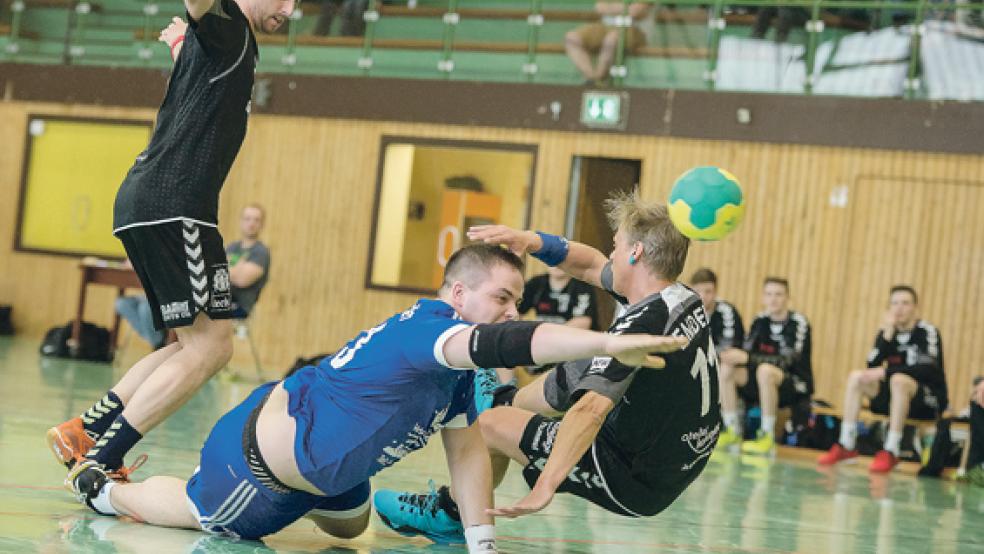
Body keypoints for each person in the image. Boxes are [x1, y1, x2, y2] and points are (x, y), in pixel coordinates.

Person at [68, 244, 685, 553]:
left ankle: (331, 477)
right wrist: (610, 340)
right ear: (458, 294)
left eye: (514, 300)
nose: (511, 311)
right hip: (257, 467)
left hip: (329, 464)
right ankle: (100, 484)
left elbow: (468, 453)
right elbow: (514, 339)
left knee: (351, 526)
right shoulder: (431, 334)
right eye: (502, 297)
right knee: (208, 514)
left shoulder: (457, 372)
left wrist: (483, 545)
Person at [373, 191, 719, 543]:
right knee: (586, 361)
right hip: (681, 455)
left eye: (616, 245)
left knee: (489, 426)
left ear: (636, 253)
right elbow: (590, 265)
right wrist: (531, 240)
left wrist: (546, 484)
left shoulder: (641, 323)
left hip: (635, 477)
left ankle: (449, 514)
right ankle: (507, 400)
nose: (610, 254)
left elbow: (590, 409)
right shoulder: (680, 296)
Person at [46, 0, 294, 488]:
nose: (289, 8)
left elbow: (197, 80)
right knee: (209, 349)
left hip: (162, 205)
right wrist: (194, 26)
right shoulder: (228, 27)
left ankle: (85, 431)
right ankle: (100, 458)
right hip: (174, 205)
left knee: (201, 344)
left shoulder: (225, 45)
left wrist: (181, 43)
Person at [819, 285, 947, 473]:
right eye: (894, 303)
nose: (899, 308)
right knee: (857, 377)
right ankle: (846, 444)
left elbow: (928, 369)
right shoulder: (888, 332)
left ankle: (891, 449)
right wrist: (886, 336)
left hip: (926, 401)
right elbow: (872, 366)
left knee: (898, 380)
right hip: (894, 399)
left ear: (915, 308)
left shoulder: (927, 332)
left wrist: (886, 373)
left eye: (905, 303)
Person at [115, 204, 272, 347]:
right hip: (206, 297)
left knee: (149, 308)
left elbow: (242, 279)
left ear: (262, 224)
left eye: (256, 220)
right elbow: (214, 268)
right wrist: (229, 268)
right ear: (241, 222)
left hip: (231, 304)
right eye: (247, 219)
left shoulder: (260, 252)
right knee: (125, 304)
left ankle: (164, 344)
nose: (251, 223)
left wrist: (219, 268)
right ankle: (159, 342)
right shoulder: (232, 247)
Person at [718, 277, 812, 455]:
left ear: (787, 298)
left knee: (765, 371)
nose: (773, 299)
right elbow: (747, 353)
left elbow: (787, 361)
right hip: (761, 382)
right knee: (727, 367)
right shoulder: (760, 320)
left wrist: (747, 358)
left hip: (793, 385)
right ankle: (731, 428)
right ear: (763, 297)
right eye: (769, 294)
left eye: (778, 294)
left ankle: (767, 435)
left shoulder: (798, 323)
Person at [565, 2, 652, 84]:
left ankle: (599, 79)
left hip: (632, 29)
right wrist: (625, 7)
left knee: (611, 38)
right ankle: (591, 77)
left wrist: (611, 8)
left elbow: (635, 11)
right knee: (572, 38)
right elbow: (599, 7)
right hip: (604, 26)